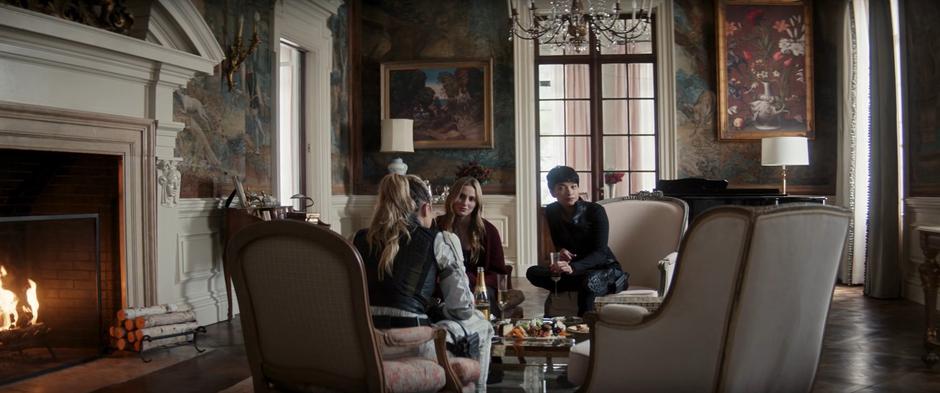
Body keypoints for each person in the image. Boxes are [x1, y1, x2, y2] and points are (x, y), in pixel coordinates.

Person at [353, 173, 492, 390]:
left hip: (365, 343)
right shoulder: (441, 240)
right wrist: (440, 310)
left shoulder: (358, 238)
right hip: (412, 343)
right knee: (482, 323)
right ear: (426, 208)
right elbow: (463, 308)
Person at [526, 166, 626, 316]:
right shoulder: (552, 211)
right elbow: (560, 243)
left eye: (573, 187)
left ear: (578, 189)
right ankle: (573, 283)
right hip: (574, 269)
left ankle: (583, 327)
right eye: (562, 188)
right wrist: (562, 252)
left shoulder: (595, 211)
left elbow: (600, 252)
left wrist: (573, 267)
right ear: (553, 192)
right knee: (532, 272)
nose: (569, 192)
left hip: (603, 268)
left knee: (588, 281)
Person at [438, 176, 521, 319]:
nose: (465, 203)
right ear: (452, 197)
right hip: (446, 286)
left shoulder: (489, 231)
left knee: (482, 295)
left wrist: (471, 279)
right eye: (461, 196)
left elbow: (499, 276)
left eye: (472, 199)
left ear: (477, 203)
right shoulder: (437, 225)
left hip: (479, 287)